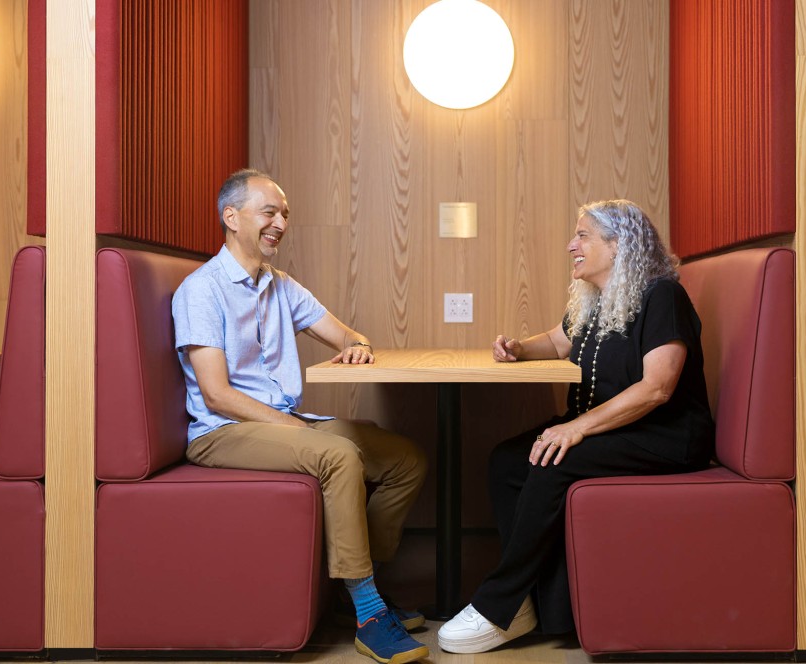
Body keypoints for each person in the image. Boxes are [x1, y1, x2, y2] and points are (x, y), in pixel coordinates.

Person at [172, 168, 429, 664]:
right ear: (232, 216)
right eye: (269, 211)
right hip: (222, 431)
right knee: (338, 454)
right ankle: (371, 613)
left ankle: (355, 591)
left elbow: (351, 335)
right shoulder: (201, 290)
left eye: (284, 213)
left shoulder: (281, 285)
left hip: (282, 420)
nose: (280, 222)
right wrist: (297, 427)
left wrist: (357, 347)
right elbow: (218, 395)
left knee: (404, 458)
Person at [437, 199, 716, 654]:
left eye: (583, 235)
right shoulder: (600, 298)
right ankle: (535, 606)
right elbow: (557, 339)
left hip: (665, 436)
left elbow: (657, 389)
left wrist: (577, 428)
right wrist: (518, 348)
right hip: (608, 428)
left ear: (619, 243)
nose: (572, 245)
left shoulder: (662, 295)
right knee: (508, 462)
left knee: (550, 460)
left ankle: (497, 605)